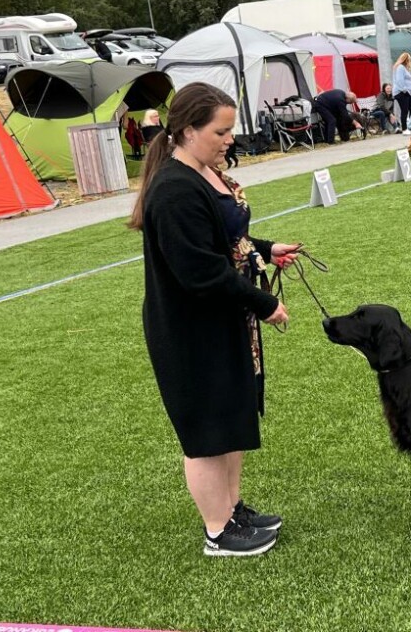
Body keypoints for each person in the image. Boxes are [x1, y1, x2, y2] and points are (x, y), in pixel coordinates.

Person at [128, 82, 301, 557]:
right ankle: (217, 532)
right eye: (220, 131)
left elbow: (225, 237)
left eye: (230, 129)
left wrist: (266, 250)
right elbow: (201, 271)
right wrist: (265, 304)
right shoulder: (174, 190)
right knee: (206, 431)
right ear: (186, 131)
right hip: (192, 332)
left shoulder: (202, 171)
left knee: (231, 417)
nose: (230, 139)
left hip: (225, 323)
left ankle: (231, 508)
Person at [392, 52, 411, 123]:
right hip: (402, 92)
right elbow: (399, 80)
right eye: (409, 60)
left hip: (406, 92)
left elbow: (404, 78)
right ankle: (405, 128)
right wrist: (404, 90)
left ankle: (410, 125)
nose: (410, 62)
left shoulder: (404, 69)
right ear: (406, 60)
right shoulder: (400, 67)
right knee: (405, 110)